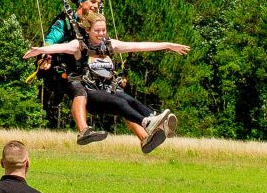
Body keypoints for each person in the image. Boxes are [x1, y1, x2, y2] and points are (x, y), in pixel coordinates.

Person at [24, 13, 189, 154]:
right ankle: (146, 122)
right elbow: (59, 47)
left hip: (108, 90)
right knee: (119, 102)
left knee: (127, 98)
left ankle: (155, 120)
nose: (101, 33)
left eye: (103, 30)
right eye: (97, 30)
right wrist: (40, 50)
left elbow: (138, 46)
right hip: (91, 94)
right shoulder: (79, 45)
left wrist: (167, 45)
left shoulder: (109, 45)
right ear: (87, 30)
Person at [37, 0, 106, 145]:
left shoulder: (93, 24)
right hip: (60, 70)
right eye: (93, 2)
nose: (96, 6)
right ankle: (84, 131)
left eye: (99, 3)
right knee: (78, 90)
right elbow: (50, 40)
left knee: (114, 94)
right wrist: (45, 54)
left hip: (81, 70)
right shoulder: (65, 22)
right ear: (82, 3)